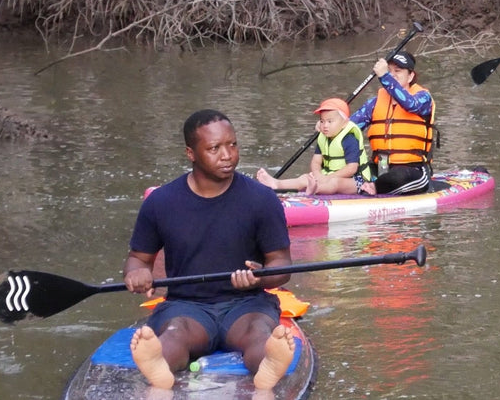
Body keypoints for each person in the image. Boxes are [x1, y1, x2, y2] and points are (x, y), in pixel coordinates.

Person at [124, 109, 296, 391]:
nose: (227, 155)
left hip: (247, 304)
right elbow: (137, 260)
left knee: (257, 333)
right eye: (214, 148)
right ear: (191, 153)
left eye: (232, 144)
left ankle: (268, 365)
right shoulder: (160, 202)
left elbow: (282, 263)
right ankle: (159, 367)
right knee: (175, 334)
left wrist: (261, 277)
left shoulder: (262, 200)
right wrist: (137, 274)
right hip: (187, 307)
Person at [350, 51, 435, 196]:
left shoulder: (423, 98)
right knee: (348, 170)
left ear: (410, 76)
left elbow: (410, 104)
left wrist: (385, 76)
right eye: (389, 70)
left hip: (412, 170)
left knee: (397, 177)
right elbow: (349, 127)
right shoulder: (376, 102)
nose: (392, 74)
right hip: (380, 168)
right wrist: (329, 123)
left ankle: (372, 188)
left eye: (398, 71)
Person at [256, 98, 370, 195]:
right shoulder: (323, 137)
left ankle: (316, 188)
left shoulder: (349, 139)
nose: (325, 126)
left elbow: (351, 168)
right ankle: (277, 184)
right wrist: (317, 175)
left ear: (344, 123)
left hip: (357, 181)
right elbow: (316, 162)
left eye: (330, 121)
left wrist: (327, 178)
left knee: (335, 183)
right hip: (329, 176)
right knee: (305, 178)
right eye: (322, 121)